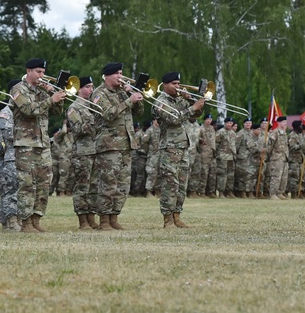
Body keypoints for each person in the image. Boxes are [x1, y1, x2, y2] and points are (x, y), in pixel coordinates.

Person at [10, 58, 67, 233]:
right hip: (25, 143)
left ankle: (36, 219)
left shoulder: (43, 91)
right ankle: (25, 222)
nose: (42, 76)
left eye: (43, 72)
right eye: (38, 72)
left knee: (44, 183)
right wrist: (50, 100)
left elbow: (57, 112)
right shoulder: (18, 89)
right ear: (28, 71)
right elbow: (28, 110)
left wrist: (55, 96)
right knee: (27, 183)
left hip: (43, 143)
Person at [93, 63, 145, 230]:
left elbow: (139, 113)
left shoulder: (123, 92)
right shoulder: (99, 93)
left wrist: (133, 96)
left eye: (122, 73)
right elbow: (108, 114)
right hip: (109, 145)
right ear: (107, 76)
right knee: (108, 184)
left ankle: (114, 217)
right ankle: (104, 220)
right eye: (118, 74)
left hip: (126, 144)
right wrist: (129, 101)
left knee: (123, 185)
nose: (121, 77)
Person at [151, 72, 204, 228]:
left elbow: (197, 114)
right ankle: (167, 219)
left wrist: (194, 101)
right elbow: (174, 119)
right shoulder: (160, 101)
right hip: (169, 147)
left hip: (182, 146)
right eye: (174, 84)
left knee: (182, 184)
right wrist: (192, 107)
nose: (178, 87)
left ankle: (177, 216)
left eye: (178, 83)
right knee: (170, 183)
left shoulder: (179, 99)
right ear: (165, 85)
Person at [66, 75, 100, 230]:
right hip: (82, 152)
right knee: (82, 187)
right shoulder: (74, 108)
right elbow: (78, 129)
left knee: (94, 187)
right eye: (87, 87)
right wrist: (95, 119)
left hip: (95, 150)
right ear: (79, 89)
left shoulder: (92, 106)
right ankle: (82, 220)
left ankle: (91, 217)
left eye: (92, 87)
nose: (91, 90)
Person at [0, 82, 20, 231]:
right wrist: (1, 148)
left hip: (20, 157)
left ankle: (14, 220)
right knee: (8, 192)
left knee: (18, 191)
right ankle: (8, 221)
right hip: (7, 160)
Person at [265, 117, 290, 199]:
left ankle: (280, 192)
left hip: (284, 157)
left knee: (284, 176)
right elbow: (270, 146)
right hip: (276, 157)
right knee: (276, 176)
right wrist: (269, 155)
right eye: (283, 122)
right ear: (279, 123)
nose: (285, 123)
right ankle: (273, 193)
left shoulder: (284, 133)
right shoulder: (275, 132)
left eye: (286, 122)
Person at [215, 117, 237, 197]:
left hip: (231, 156)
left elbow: (234, 145)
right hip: (223, 156)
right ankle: (221, 192)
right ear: (225, 123)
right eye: (227, 123)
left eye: (230, 123)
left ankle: (229, 191)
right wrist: (217, 155)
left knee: (231, 175)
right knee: (222, 175)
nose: (229, 124)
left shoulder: (233, 133)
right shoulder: (220, 132)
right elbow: (216, 144)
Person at [198, 115, 217, 197]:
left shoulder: (212, 129)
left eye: (210, 119)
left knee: (212, 173)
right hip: (204, 153)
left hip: (212, 153)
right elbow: (196, 138)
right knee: (204, 173)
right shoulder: (200, 129)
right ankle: (202, 191)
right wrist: (201, 140)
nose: (209, 121)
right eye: (207, 119)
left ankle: (211, 191)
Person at [287, 120, 305, 198]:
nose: (302, 127)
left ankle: (301, 192)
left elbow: (304, 147)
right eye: (300, 125)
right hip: (293, 160)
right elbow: (292, 147)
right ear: (296, 127)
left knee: (302, 177)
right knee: (294, 177)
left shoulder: (300, 135)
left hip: (300, 159)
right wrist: (300, 146)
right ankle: (293, 193)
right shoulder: (292, 136)